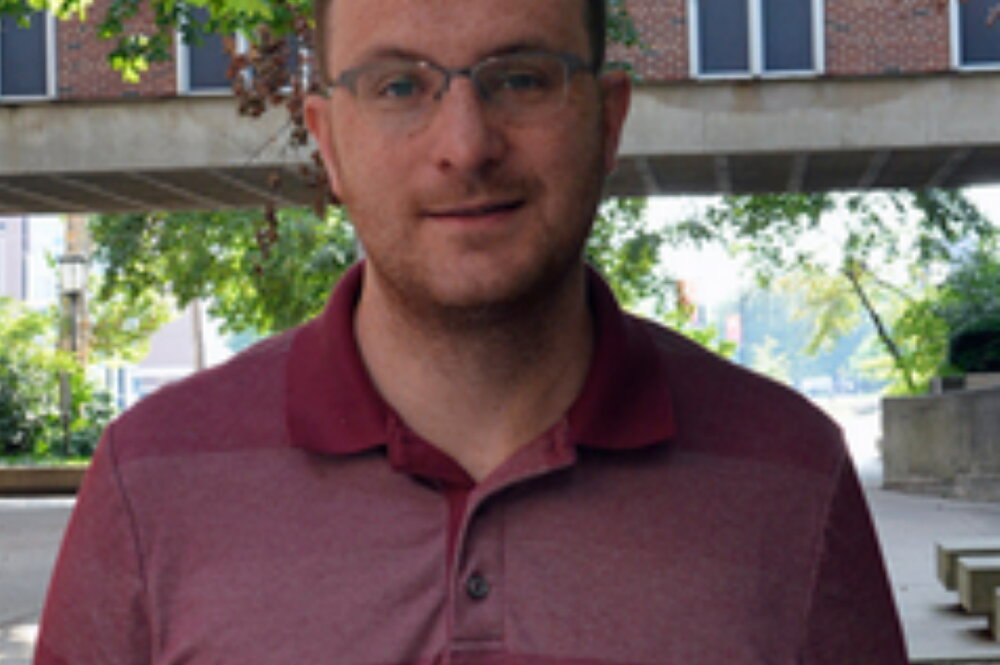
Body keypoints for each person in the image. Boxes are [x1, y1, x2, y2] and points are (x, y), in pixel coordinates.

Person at [34, 0, 908, 662]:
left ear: (607, 121)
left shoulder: (795, 479)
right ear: (328, 141)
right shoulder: (148, 483)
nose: (465, 144)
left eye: (521, 77)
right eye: (400, 86)